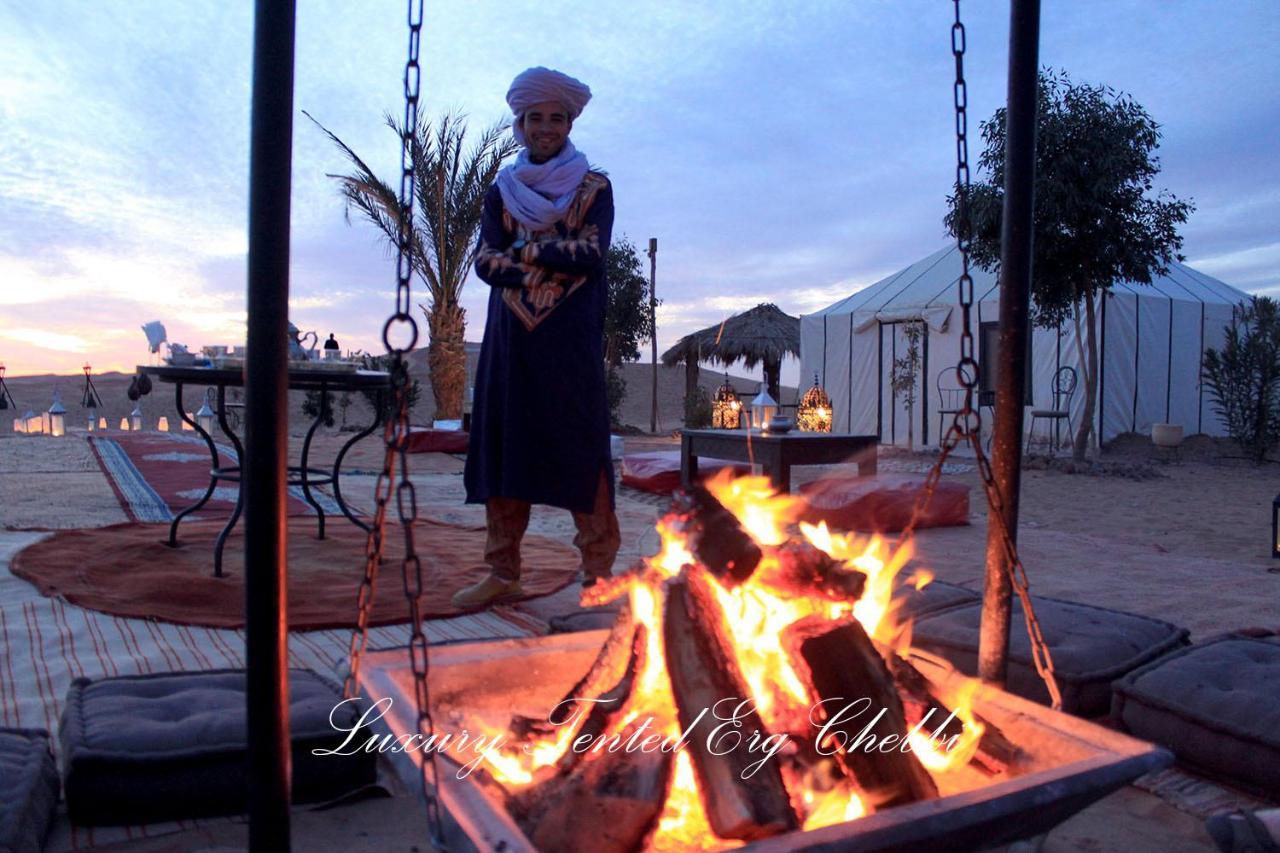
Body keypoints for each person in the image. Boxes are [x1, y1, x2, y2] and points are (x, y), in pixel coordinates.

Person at [453, 67, 619, 610]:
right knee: (506, 448)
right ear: (520, 125)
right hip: (511, 344)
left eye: (556, 118)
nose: (545, 128)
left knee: (581, 448)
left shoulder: (595, 188)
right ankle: (503, 572)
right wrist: (548, 259)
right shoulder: (501, 190)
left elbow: (590, 257)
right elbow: (483, 262)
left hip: (569, 344)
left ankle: (598, 577)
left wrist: (520, 254)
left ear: (569, 123)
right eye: (535, 118)